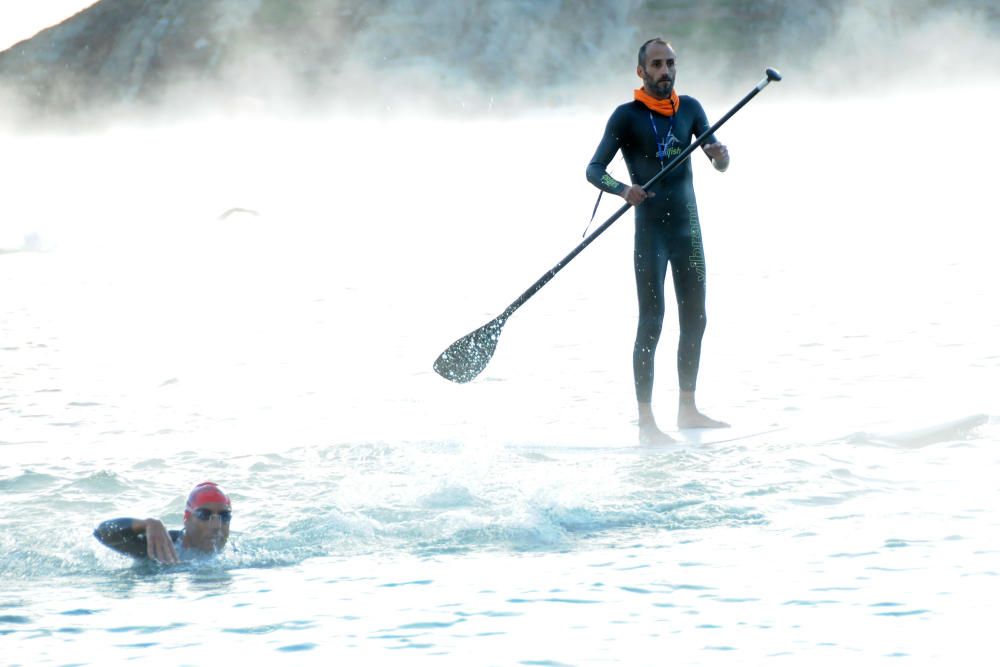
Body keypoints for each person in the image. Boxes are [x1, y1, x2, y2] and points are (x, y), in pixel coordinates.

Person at [586, 38, 730, 444]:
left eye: (670, 63)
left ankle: (688, 410)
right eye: (656, 65)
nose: (665, 71)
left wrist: (720, 155)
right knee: (652, 321)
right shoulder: (626, 117)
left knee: (696, 318)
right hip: (651, 234)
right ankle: (647, 422)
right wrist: (621, 189)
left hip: (688, 232)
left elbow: (720, 163)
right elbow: (594, 169)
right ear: (641, 72)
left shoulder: (692, 110)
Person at [93, 481, 232, 563]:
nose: (216, 526)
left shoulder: (235, 554)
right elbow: (102, 533)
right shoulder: (161, 546)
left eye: (224, 516)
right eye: (204, 515)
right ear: (186, 518)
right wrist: (146, 524)